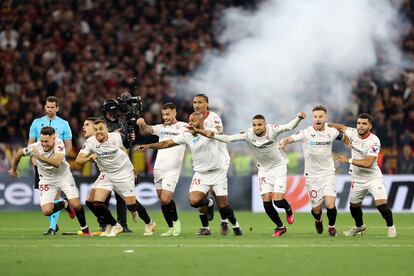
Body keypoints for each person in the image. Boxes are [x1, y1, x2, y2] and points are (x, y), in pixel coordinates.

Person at [193, 112, 306, 237]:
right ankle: (280, 227)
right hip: (263, 170)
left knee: (278, 202)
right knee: (267, 203)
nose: (257, 127)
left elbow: (289, 127)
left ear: (265, 125)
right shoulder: (248, 134)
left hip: (279, 167)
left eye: (259, 125)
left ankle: (288, 209)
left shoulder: (273, 130)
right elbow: (229, 139)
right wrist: (213, 136)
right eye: (254, 125)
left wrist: (299, 118)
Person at [138, 112, 242, 236]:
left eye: (193, 121)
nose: (190, 123)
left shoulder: (210, 129)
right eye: (189, 121)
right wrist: (149, 146)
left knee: (224, 206)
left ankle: (235, 225)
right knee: (193, 201)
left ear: (202, 121)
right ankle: (209, 203)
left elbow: (210, 134)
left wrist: (198, 130)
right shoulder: (187, 135)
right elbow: (167, 143)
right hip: (200, 174)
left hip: (217, 173)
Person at [76, 119, 156, 237]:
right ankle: (114, 225)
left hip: (123, 173)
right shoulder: (90, 142)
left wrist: (132, 168)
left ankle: (150, 223)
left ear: (106, 129)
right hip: (107, 174)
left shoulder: (116, 137)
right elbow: (78, 159)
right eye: (96, 129)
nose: (98, 132)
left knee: (131, 205)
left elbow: (123, 150)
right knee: (94, 203)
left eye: (101, 129)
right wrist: (89, 158)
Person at [9, 127, 91, 236]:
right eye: (42, 141)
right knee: (47, 211)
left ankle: (85, 229)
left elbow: (57, 162)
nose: (43, 144)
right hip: (46, 180)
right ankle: (65, 203)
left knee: (76, 205)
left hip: (63, 176)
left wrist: (40, 156)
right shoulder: (35, 147)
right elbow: (19, 153)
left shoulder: (59, 144)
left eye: (46, 141)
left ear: (54, 138)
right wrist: (14, 169)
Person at [279, 105, 346, 236]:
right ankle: (318, 219)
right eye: (315, 116)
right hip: (312, 176)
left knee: (330, 204)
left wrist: (349, 143)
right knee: (316, 208)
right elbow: (290, 138)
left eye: (320, 116)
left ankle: (331, 227)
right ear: (313, 118)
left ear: (325, 118)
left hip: (328, 173)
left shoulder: (331, 131)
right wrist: (284, 142)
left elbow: (342, 137)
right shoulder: (306, 132)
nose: (317, 119)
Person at [329, 113, 397, 237]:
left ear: (370, 126)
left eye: (364, 123)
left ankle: (391, 227)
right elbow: (340, 127)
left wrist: (348, 160)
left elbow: (369, 163)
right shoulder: (353, 133)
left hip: (373, 178)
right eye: (359, 123)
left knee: (381, 205)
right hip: (357, 178)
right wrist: (325, 126)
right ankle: (359, 227)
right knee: (354, 207)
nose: (360, 126)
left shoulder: (374, 141)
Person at [136, 103, 187, 236]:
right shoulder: (161, 128)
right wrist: (142, 123)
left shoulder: (182, 127)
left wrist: (148, 146)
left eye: (168, 114)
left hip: (172, 169)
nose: (165, 117)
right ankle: (170, 227)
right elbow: (148, 129)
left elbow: (166, 144)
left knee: (165, 199)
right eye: (163, 114)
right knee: (163, 202)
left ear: (174, 112)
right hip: (158, 169)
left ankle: (176, 223)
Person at [28, 96, 73, 235]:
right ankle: (64, 205)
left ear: (57, 108)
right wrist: (33, 159)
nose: (49, 109)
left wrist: (59, 159)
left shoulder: (64, 124)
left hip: (56, 165)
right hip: (40, 165)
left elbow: (69, 146)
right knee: (44, 197)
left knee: (55, 195)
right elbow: (31, 143)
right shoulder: (36, 123)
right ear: (45, 107)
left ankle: (52, 227)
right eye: (47, 107)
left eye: (52, 107)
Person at [192, 93, 229, 235]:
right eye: (195, 102)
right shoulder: (193, 118)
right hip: (202, 163)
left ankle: (225, 222)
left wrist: (202, 131)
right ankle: (205, 228)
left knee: (218, 195)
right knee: (200, 196)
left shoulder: (214, 118)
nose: (196, 105)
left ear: (207, 104)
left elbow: (220, 132)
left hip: (218, 162)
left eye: (200, 102)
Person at [98, 99, 132, 233]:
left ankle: (123, 224)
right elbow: (96, 138)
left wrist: (130, 138)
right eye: (111, 110)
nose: (113, 113)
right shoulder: (100, 123)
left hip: (120, 165)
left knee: (121, 197)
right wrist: (114, 134)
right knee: (103, 197)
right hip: (105, 164)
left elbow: (127, 144)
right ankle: (104, 224)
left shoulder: (121, 121)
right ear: (105, 111)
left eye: (115, 110)